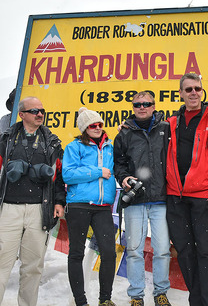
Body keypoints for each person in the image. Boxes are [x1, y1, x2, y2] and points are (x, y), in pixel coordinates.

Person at [166, 73, 208, 306]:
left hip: (203, 197)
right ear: (181, 93)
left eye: (198, 89)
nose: (194, 92)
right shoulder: (172, 121)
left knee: (205, 252)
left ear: (202, 92)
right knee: (184, 252)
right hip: (175, 197)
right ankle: (196, 300)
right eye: (189, 89)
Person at [0, 96, 65, 306]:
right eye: (34, 111)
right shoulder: (5, 140)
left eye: (42, 111)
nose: (40, 115)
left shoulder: (52, 142)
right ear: (21, 114)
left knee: (33, 266)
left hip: (39, 209)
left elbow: (59, 176)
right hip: (8, 209)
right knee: (2, 264)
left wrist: (59, 202)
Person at [114, 92, 172, 306]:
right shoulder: (124, 133)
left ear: (154, 106)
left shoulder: (166, 128)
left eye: (146, 103)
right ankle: (136, 296)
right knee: (134, 250)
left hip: (160, 199)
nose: (142, 107)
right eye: (138, 104)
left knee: (163, 250)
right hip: (135, 200)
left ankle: (160, 293)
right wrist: (124, 177)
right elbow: (118, 164)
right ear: (133, 106)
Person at [62, 107, 117, 306]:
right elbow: (68, 174)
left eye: (99, 124)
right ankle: (80, 301)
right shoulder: (74, 147)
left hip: (103, 206)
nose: (97, 128)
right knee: (76, 252)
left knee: (109, 252)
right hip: (78, 205)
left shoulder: (110, 147)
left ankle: (105, 299)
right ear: (84, 128)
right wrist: (97, 172)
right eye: (92, 125)